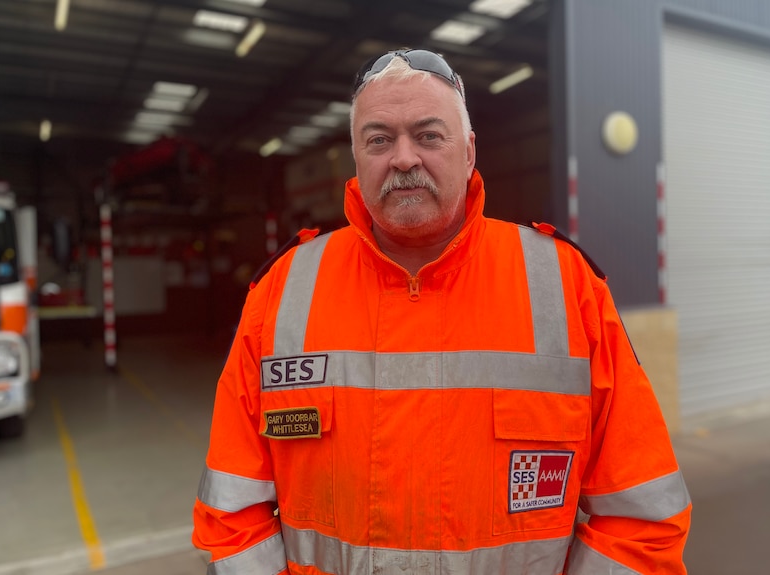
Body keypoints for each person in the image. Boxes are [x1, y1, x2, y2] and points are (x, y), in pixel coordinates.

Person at [192, 48, 691, 574]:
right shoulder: (281, 291)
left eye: (428, 135)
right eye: (379, 139)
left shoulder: (567, 288)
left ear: (470, 151)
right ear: (357, 160)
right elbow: (233, 517)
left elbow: (641, 521)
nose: (403, 158)